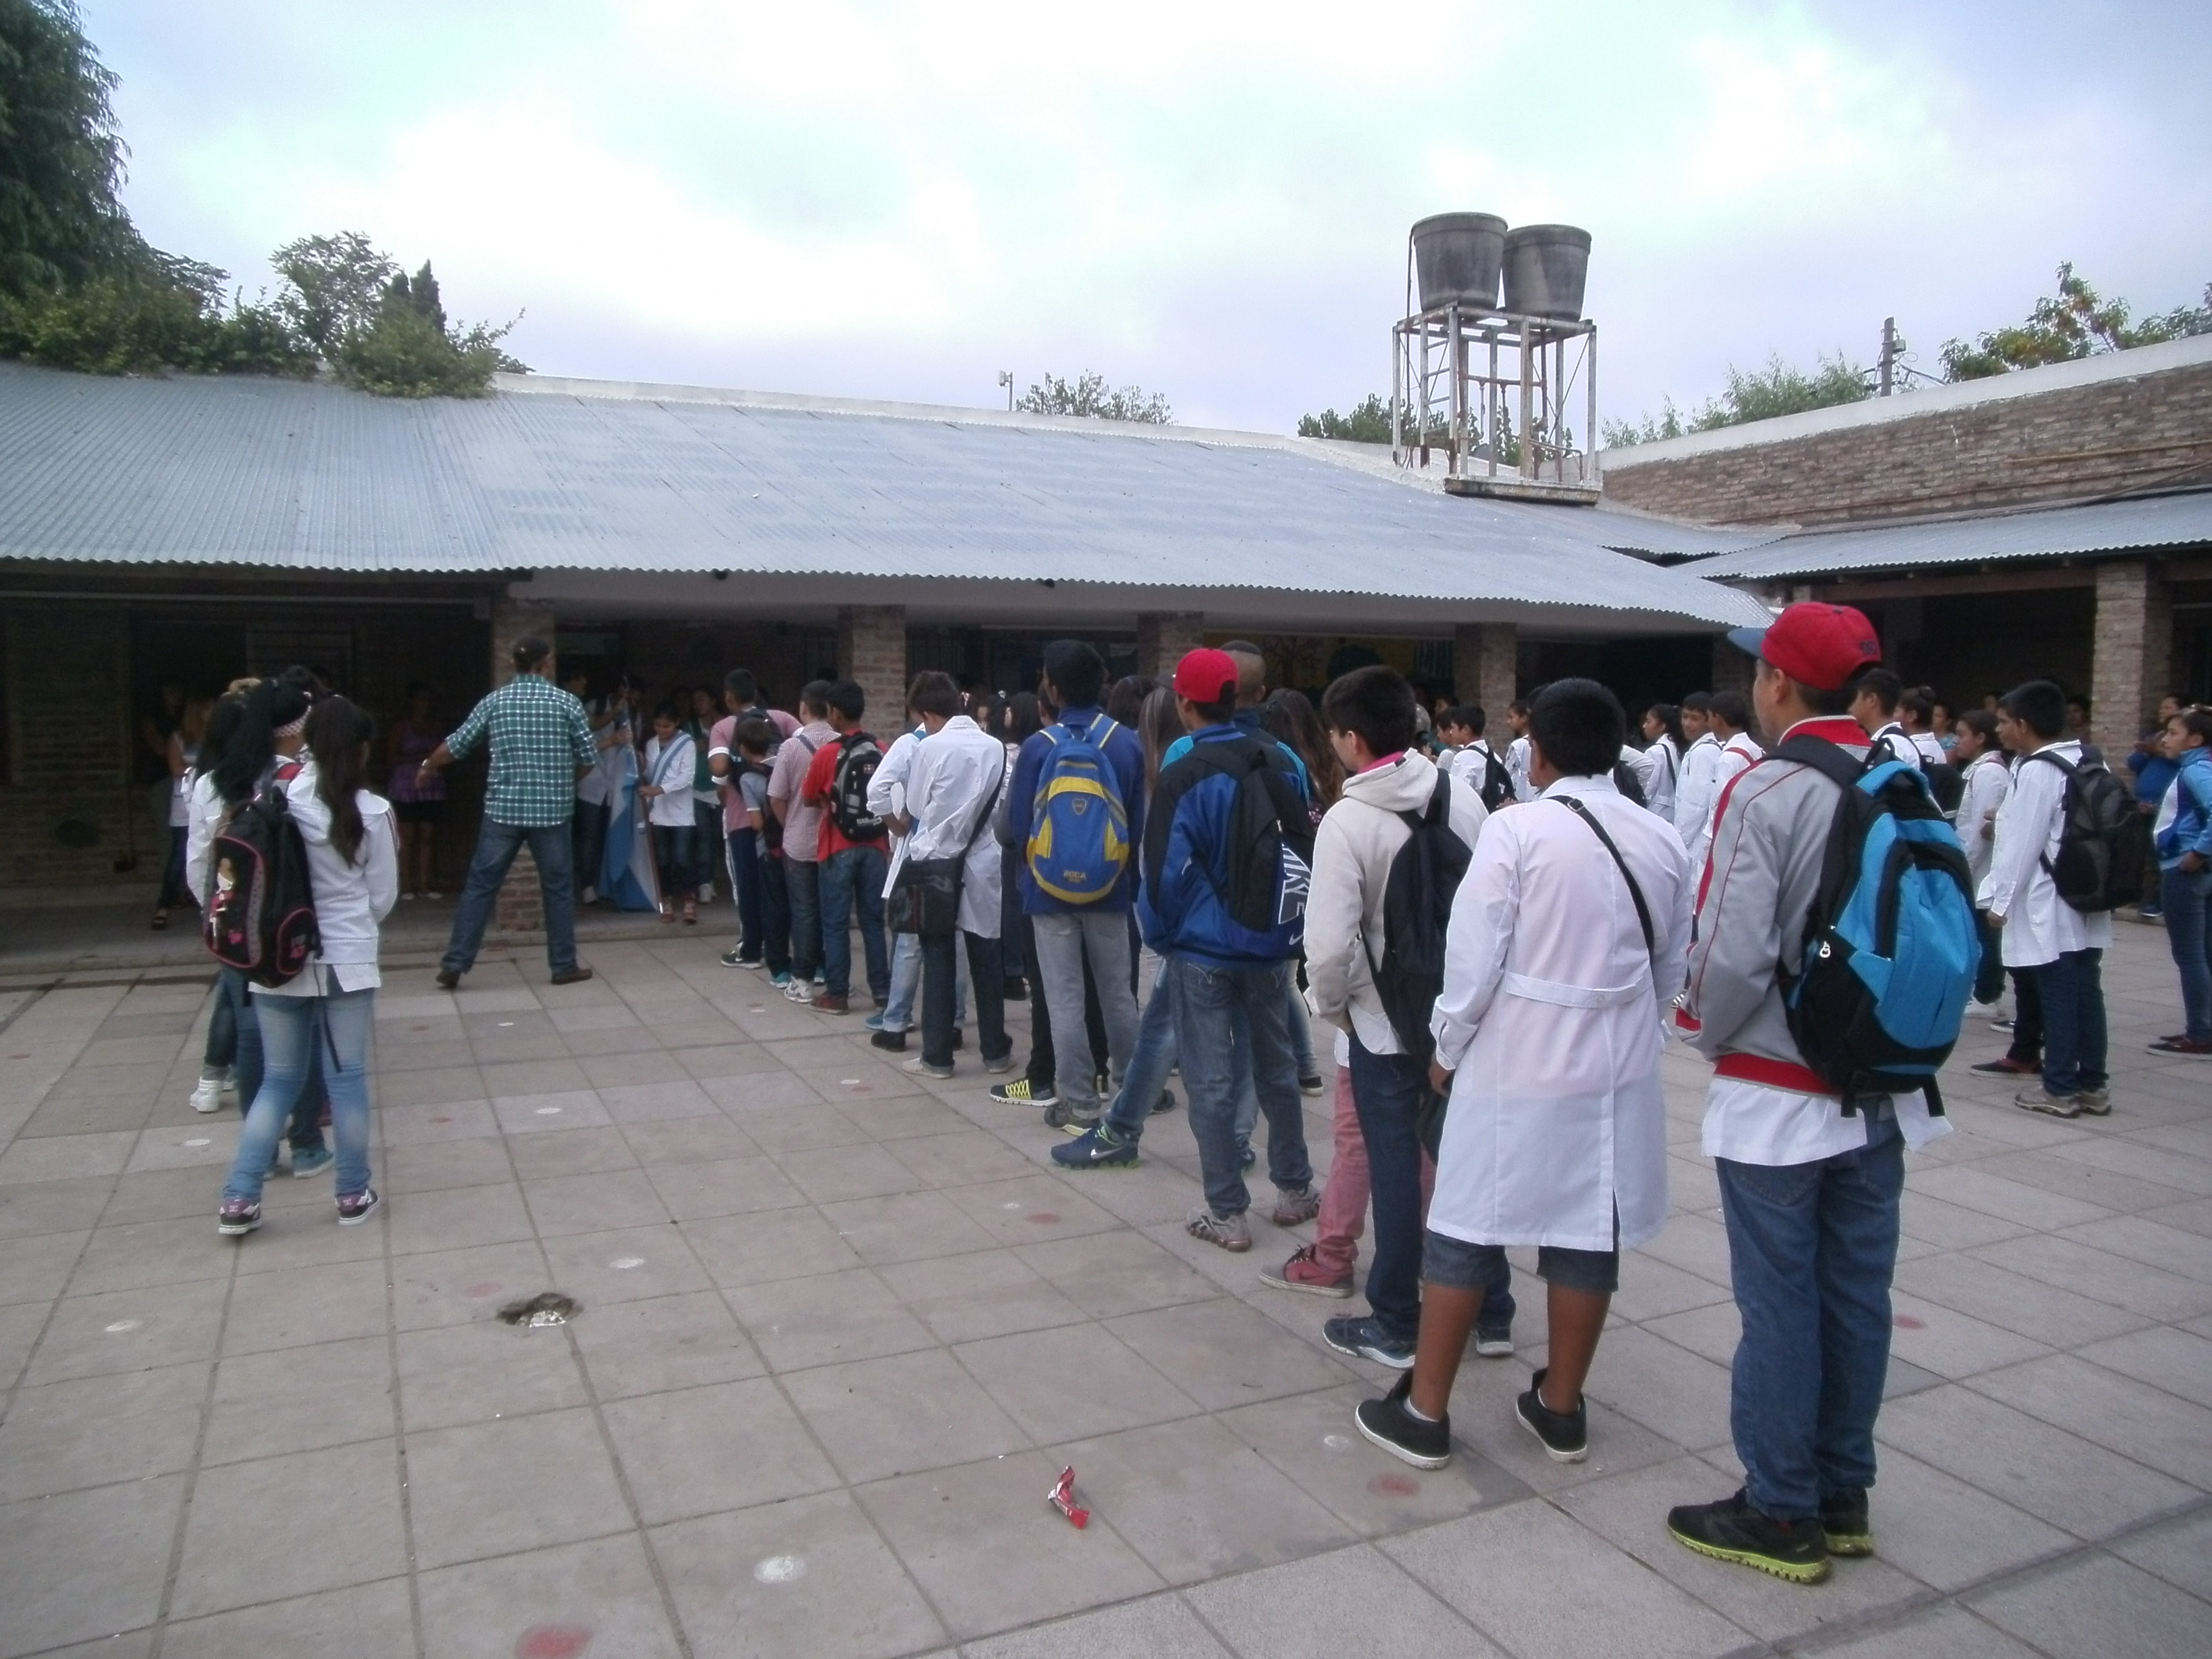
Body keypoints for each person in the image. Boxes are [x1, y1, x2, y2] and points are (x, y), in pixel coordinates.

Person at [1668, 602, 1950, 1586]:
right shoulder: (1902, 775)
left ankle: (1779, 1507)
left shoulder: (1769, 786)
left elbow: (1729, 955)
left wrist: (1699, 1028)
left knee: (1779, 1300)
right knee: (1856, 1294)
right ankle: (1840, 1492)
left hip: (1780, 1097)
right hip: (1882, 1084)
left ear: (1778, 683)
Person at [1356, 677, 1690, 1466]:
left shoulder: (1517, 831)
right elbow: (1672, 969)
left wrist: (1446, 1047)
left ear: (1536, 750)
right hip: (1616, 1069)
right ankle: (1560, 1408)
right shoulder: (1662, 839)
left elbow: (1474, 961)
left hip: (1518, 1058)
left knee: (1467, 1224)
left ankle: (1426, 1411)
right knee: (1588, 1230)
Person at [1302, 665, 1489, 1369]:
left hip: (1383, 1023)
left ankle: (1397, 1320)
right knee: (1464, 1162)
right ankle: (1488, 1309)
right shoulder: (1462, 796)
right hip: (1461, 1017)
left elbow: (1327, 949)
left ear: (1352, 739)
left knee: (1395, 1171)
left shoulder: (1347, 820)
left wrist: (1335, 1010)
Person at [1139, 648, 1315, 1253]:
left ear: (1185, 703)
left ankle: (1227, 1213)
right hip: (1270, 944)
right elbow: (1302, 848)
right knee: (1277, 1068)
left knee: (1210, 1081)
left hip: (1202, 947)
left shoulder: (1183, 765)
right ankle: (1294, 1188)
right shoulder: (1285, 760)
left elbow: (1162, 870)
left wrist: (1161, 936)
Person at [216, 695, 397, 1235]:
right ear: (362, 748)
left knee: (278, 1081)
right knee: (347, 1082)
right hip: (347, 958)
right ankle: (352, 1194)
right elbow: (383, 897)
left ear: (308, 742)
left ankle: (240, 1199)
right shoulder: (372, 811)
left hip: (279, 957)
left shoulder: (275, 799)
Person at [1004, 641, 1146, 1124]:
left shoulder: (1039, 747)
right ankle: (1130, 1094)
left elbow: (1018, 827)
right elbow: (1136, 824)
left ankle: (1081, 1104)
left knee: (1063, 997)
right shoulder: (1125, 743)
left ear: (1053, 689)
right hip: (1110, 888)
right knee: (1117, 994)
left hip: (1047, 891)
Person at [422, 636, 598, 989]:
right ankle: (563, 966)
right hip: (551, 813)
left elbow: (457, 745)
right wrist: (565, 783)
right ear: (545, 663)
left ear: (515, 664)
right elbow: (588, 758)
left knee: (480, 886)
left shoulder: (495, 701)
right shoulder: (566, 703)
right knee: (558, 889)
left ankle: (456, 962)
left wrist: (428, 765)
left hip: (503, 811)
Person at [1982, 679, 2113, 1117]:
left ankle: (2059, 1089)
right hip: (2087, 898)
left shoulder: (2037, 769)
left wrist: (2000, 903)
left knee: (2058, 994)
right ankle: (2093, 1085)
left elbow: (2021, 845)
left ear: (2024, 724)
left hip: (2049, 903)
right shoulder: (2088, 758)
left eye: (2005, 722)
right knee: (2087, 992)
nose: (2000, 730)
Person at [894, 672, 1014, 1078]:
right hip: (983, 861)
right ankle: (995, 1052)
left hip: (936, 862)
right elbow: (1001, 804)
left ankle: (938, 1057)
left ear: (928, 714)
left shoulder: (930, 748)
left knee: (938, 957)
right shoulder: (995, 747)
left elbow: (914, 806)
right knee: (986, 957)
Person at [867, 693, 966, 1050]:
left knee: (910, 941)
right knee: (956, 940)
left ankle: (896, 1023)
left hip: (921, 855)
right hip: (962, 854)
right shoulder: (976, 744)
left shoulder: (912, 744)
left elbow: (876, 789)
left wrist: (897, 827)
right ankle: (953, 1024)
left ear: (922, 712)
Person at [801, 679, 891, 1015]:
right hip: (876, 846)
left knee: (836, 923)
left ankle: (837, 994)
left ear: (835, 714)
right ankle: (882, 992)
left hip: (837, 846)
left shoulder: (828, 753)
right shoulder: (880, 748)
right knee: (873, 922)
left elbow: (808, 797)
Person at [709, 670, 795, 972]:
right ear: (756, 693)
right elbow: (807, 747)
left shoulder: (723, 727)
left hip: (742, 820)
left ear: (729, 697)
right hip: (781, 820)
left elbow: (719, 767)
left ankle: (751, 950)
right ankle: (781, 947)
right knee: (779, 888)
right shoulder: (780, 719)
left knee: (747, 888)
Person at [2149, 706, 2212, 1056]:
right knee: (2203, 952)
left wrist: (2198, 852)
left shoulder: (2196, 770)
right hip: (2197, 869)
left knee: (2190, 955)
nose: (2165, 740)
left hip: (2186, 869)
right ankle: (2203, 1027)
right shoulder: (2199, 767)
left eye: (2174, 733)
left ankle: (2200, 1033)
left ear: (2196, 739)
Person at [769, 681, 836, 1002]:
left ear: (803, 708)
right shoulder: (842, 745)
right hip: (834, 842)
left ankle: (803, 979)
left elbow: (776, 796)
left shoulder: (791, 747)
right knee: (832, 911)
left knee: (805, 911)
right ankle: (834, 976)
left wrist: (790, 825)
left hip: (798, 843)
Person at [1951, 711, 2011, 1020]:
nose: (1957, 741)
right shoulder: (1981, 771)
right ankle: (1985, 991)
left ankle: (1987, 995)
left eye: (1962, 734)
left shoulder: (1988, 773)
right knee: (1981, 933)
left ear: (1980, 738)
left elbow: (1978, 830)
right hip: (1980, 868)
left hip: (1983, 869)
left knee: (1986, 935)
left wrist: (1963, 868)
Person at [154, 694, 213, 929]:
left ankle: (210, 908)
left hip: (210, 800)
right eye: (207, 708)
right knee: (180, 854)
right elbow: (177, 768)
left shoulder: (215, 737)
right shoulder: (179, 738)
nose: (212, 713)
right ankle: (164, 905)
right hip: (185, 802)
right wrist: (205, 767)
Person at [638, 703, 700, 923]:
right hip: (658, 811)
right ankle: (667, 901)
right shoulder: (651, 744)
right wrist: (640, 765)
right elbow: (649, 772)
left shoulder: (687, 744)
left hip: (681, 811)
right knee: (663, 859)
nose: (662, 730)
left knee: (683, 858)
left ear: (676, 724)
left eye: (667, 726)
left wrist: (659, 789)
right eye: (658, 726)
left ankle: (689, 900)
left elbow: (687, 777)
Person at [2127, 693, 2187, 921]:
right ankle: (2139, 896)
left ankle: (2157, 901)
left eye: (2168, 707)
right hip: (2144, 805)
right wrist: (2147, 749)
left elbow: (2182, 759)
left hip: (2166, 807)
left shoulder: (2187, 741)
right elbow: (2134, 762)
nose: (2162, 711)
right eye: (2161, 707)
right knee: (2141, 852)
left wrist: (2158, 750)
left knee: (2159, 853)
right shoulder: (2157, 736)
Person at [384, 683, 446, 899]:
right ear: (412, 701)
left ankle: (425, 884)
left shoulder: (436, 727)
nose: (424, 704)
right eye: (420, 699)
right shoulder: (402, 727)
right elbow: (391, 757)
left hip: (430, 786)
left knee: (427, 836)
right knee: (407, 837)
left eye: (427, 699)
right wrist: (421, 758)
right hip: (405, 787)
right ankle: (406, 885)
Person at [1685, 691, 1759, 870]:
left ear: (1718, 719)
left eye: (1709, 717)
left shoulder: (1729, 758)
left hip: (1726, 842)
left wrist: (1708, 849)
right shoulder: (1755, 748)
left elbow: (1719, 807)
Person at [685, 684, 723, 906]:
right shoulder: (690, 727)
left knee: (717, 837)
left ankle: (710, 879)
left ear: (713, 701)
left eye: (702, 699)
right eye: (695, 701)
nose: (697, 705)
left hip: (720, 789)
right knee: (704, 837)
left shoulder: (724, 724)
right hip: (697, 789)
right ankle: (704, 883)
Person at [1672, 691, 1720, 851]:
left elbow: (1695, 804)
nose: (1687, 724)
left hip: (1696, 841)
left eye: (1695, 719)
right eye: (1685, 717)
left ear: (1709, 721)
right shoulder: (1703, 749)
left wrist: (1678, 842)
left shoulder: (1704, 752)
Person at [1641, 704, 1684, 824]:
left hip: (1656, 813)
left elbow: (1648, 789)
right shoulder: (1679, 747)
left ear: (1662, 727)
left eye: (1649, 722)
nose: (1644, 726)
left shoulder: (1655, 751)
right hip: (1675, 813)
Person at [1503, 700, 1536, 803]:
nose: (1508, 722)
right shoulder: (1538, 742)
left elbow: (1507, 773)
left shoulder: (1518, 745)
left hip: (1519, 797)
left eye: (1511, 717)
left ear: (1524, 718)